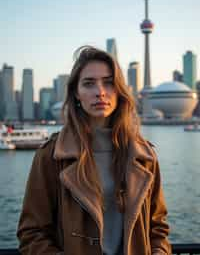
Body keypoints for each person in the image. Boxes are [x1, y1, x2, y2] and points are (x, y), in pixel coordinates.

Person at [17, 46, 171, 255]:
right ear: (76, 94)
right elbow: (32, 233)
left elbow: (158, 228)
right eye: (89, 84)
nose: (100, 92)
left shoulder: (144, 156)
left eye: (108, 82)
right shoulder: (51, 156)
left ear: (119, 91)